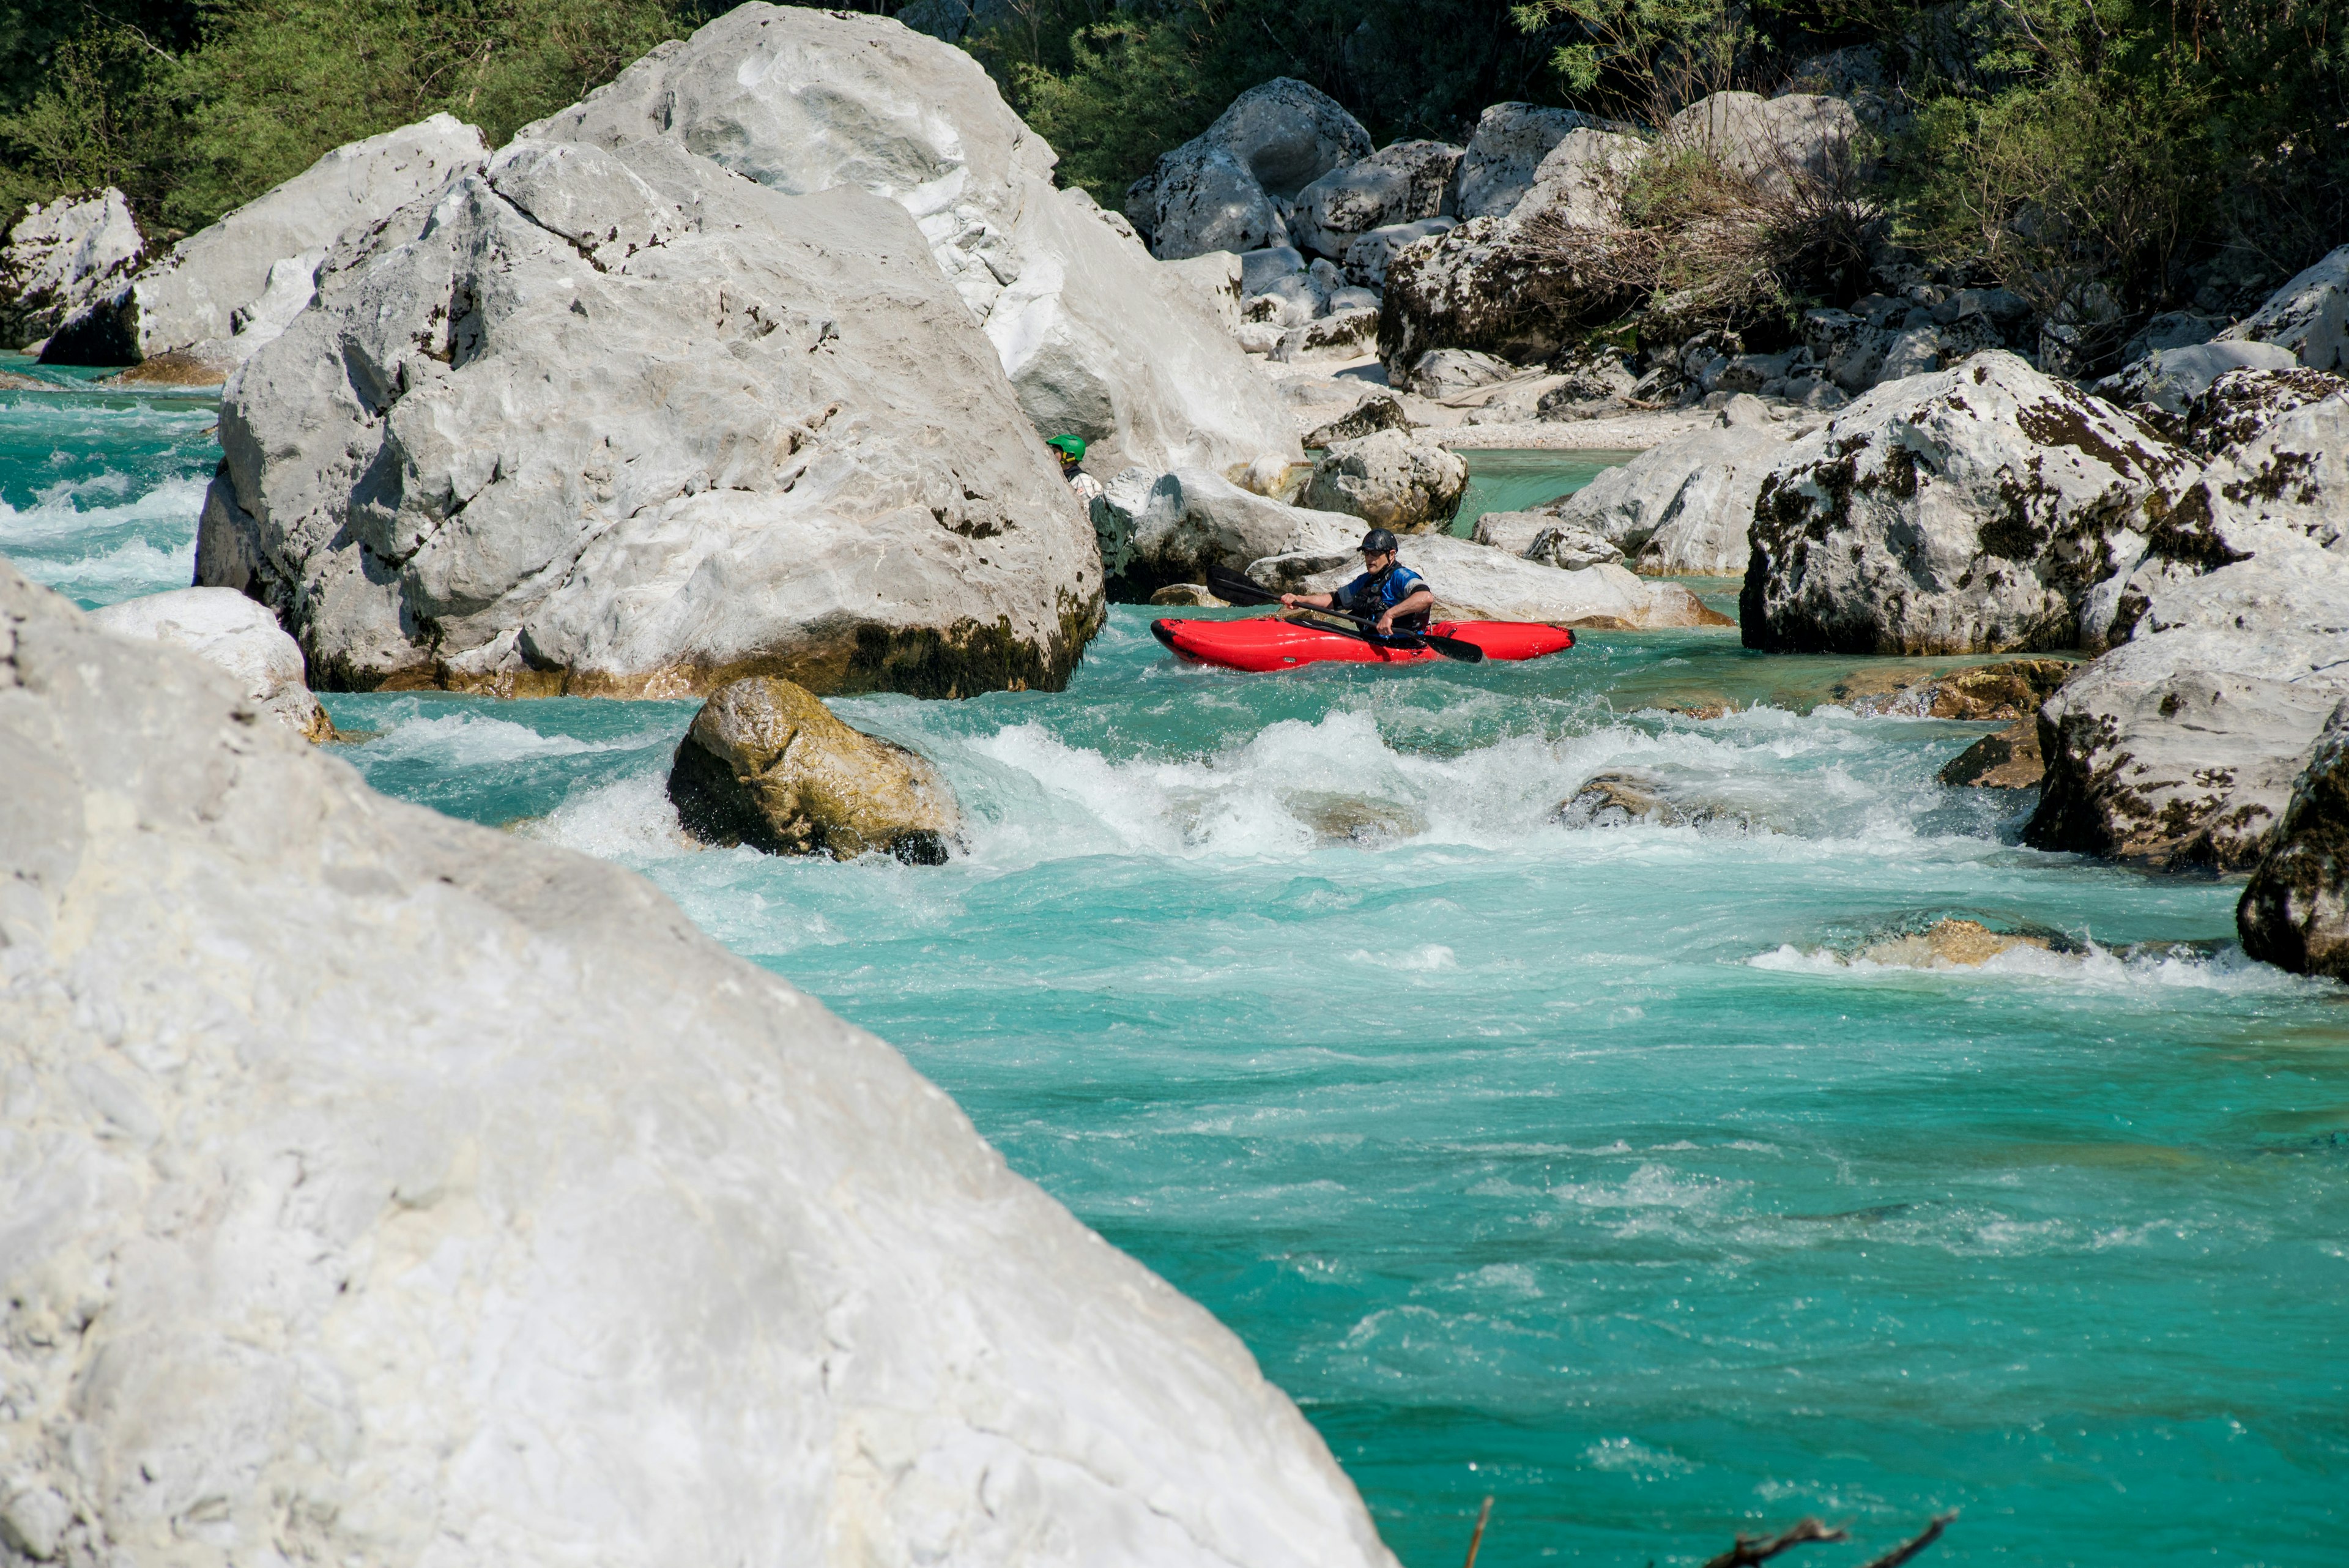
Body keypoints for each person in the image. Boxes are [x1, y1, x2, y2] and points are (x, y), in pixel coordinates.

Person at [1282, 528, 1434, 637]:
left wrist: (1390, 614)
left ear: (1391, 554)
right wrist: (1301, 599)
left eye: (1375, 553)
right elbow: (1334, 601)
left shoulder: (1401, 576)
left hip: (1403, 645)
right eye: (1366, 553)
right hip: (1371, 641)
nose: (1369, 558)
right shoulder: (1365, 580)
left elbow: (1426, 598)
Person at [1047, 434, 1104, 505]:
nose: (1051, 454)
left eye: (1055, 451)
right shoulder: (1066, 477)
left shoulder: (1082, 479)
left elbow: (1087, 511)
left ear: (1068, 455)